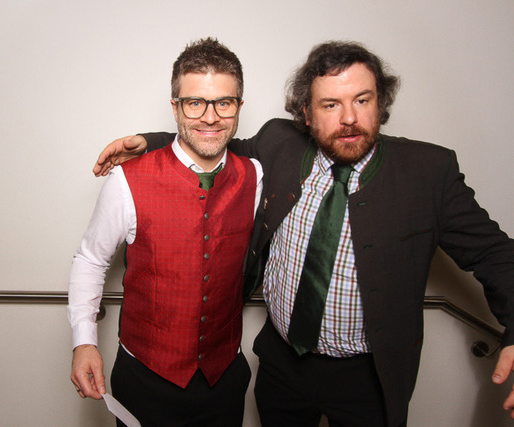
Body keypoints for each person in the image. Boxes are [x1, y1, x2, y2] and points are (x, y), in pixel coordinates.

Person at [92, 40, 514, 426]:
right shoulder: (280, 143)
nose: (349, 118)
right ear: (307, 115)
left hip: (368, 379)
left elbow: (496, 254)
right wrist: (150, 142)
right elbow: (216, 143)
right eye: (331, 104)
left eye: (362, 100)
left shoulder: (429, 173)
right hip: (282, 368)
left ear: (380, 102)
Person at [68, 37, 263, 426]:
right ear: (175, 108)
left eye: (223, 103)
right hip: (145, 378)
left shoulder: (255, 175)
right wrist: (83, 342)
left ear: (239, 107)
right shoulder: (127, 180)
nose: (210, 117)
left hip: (225, 378)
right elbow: (90, 260)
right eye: (195, 103)